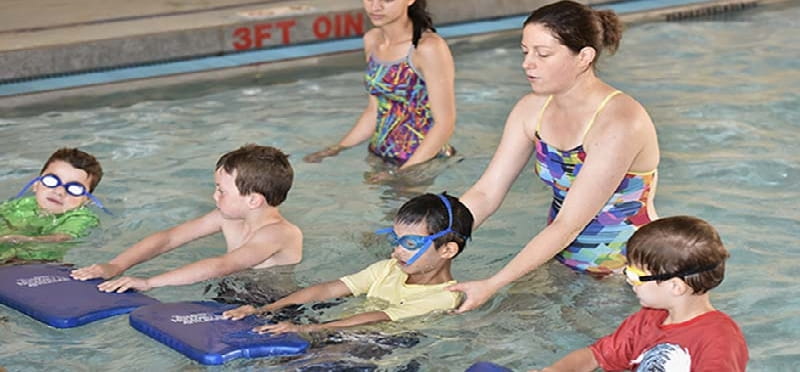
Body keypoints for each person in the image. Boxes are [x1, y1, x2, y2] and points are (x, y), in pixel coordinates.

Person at [448, 0, 660, 312]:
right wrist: (435, 239)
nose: (527, 63)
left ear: (584, 57)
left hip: (629, 273)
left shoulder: (621, 119)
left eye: (543, 54)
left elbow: (568, 225)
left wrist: (492, 284)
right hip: (560, 257)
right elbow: (486, 192)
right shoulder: (532, 109)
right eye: (525, 51)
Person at [221, 192, 472, 333]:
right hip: (340, 326)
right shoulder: (388, 269)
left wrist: (305, 330)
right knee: (243, 293)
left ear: (447, 250)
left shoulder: (446, 297)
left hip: (381, 347)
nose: (396, 251)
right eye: (396, 240)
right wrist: (267, 309)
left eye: (409, 244)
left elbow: (378, 317)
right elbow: (329, 289)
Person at [70, 144, 303, 292]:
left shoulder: (279, 233)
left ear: (253, 200)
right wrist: (116, 265)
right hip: (232, 294)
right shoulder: (228, 217)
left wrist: (150, 282)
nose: (214, 195)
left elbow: (222, 265)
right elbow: (170, 238)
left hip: (275, 309)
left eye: (221, 190)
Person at [530, 216, 749, 371]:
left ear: (675, 286)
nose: (628, 281)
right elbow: (594, 355)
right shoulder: (648, 319)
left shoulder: (719, 338)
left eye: (635, 275)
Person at [303, 0, 456, 182]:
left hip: (422, 163)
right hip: (380, 157)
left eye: (387, 0)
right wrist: (335, 149)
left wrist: (402, 174)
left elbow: (445, 123)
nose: (375, 7)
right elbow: (375, 111)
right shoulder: (372, 39)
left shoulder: (428, 48)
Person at [1, 148, 106, 262]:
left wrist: (23, 239)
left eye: (75, 188)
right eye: (52, 180)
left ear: (86, 200)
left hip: (36, 263)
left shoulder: (81, 217)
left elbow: (62, 238)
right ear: (36, 184)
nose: (59, 191)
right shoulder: (22, 204)